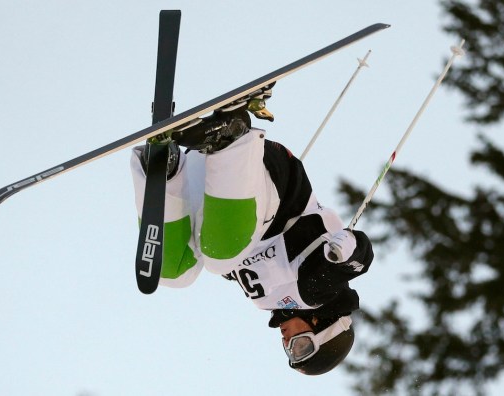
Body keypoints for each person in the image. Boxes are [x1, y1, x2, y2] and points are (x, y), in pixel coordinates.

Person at [130, 92, 374, 375]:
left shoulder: (265, 299)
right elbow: (358, 261)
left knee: (173, 273)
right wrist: (346, 251)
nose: (287, 341)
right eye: (301, 346)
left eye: (289, 350)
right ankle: (231, 136)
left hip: (213, 181)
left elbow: (243, 265)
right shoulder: (317, 290)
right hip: (263, 179)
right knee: (219, 257)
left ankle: (164, 169)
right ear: (323, 326)